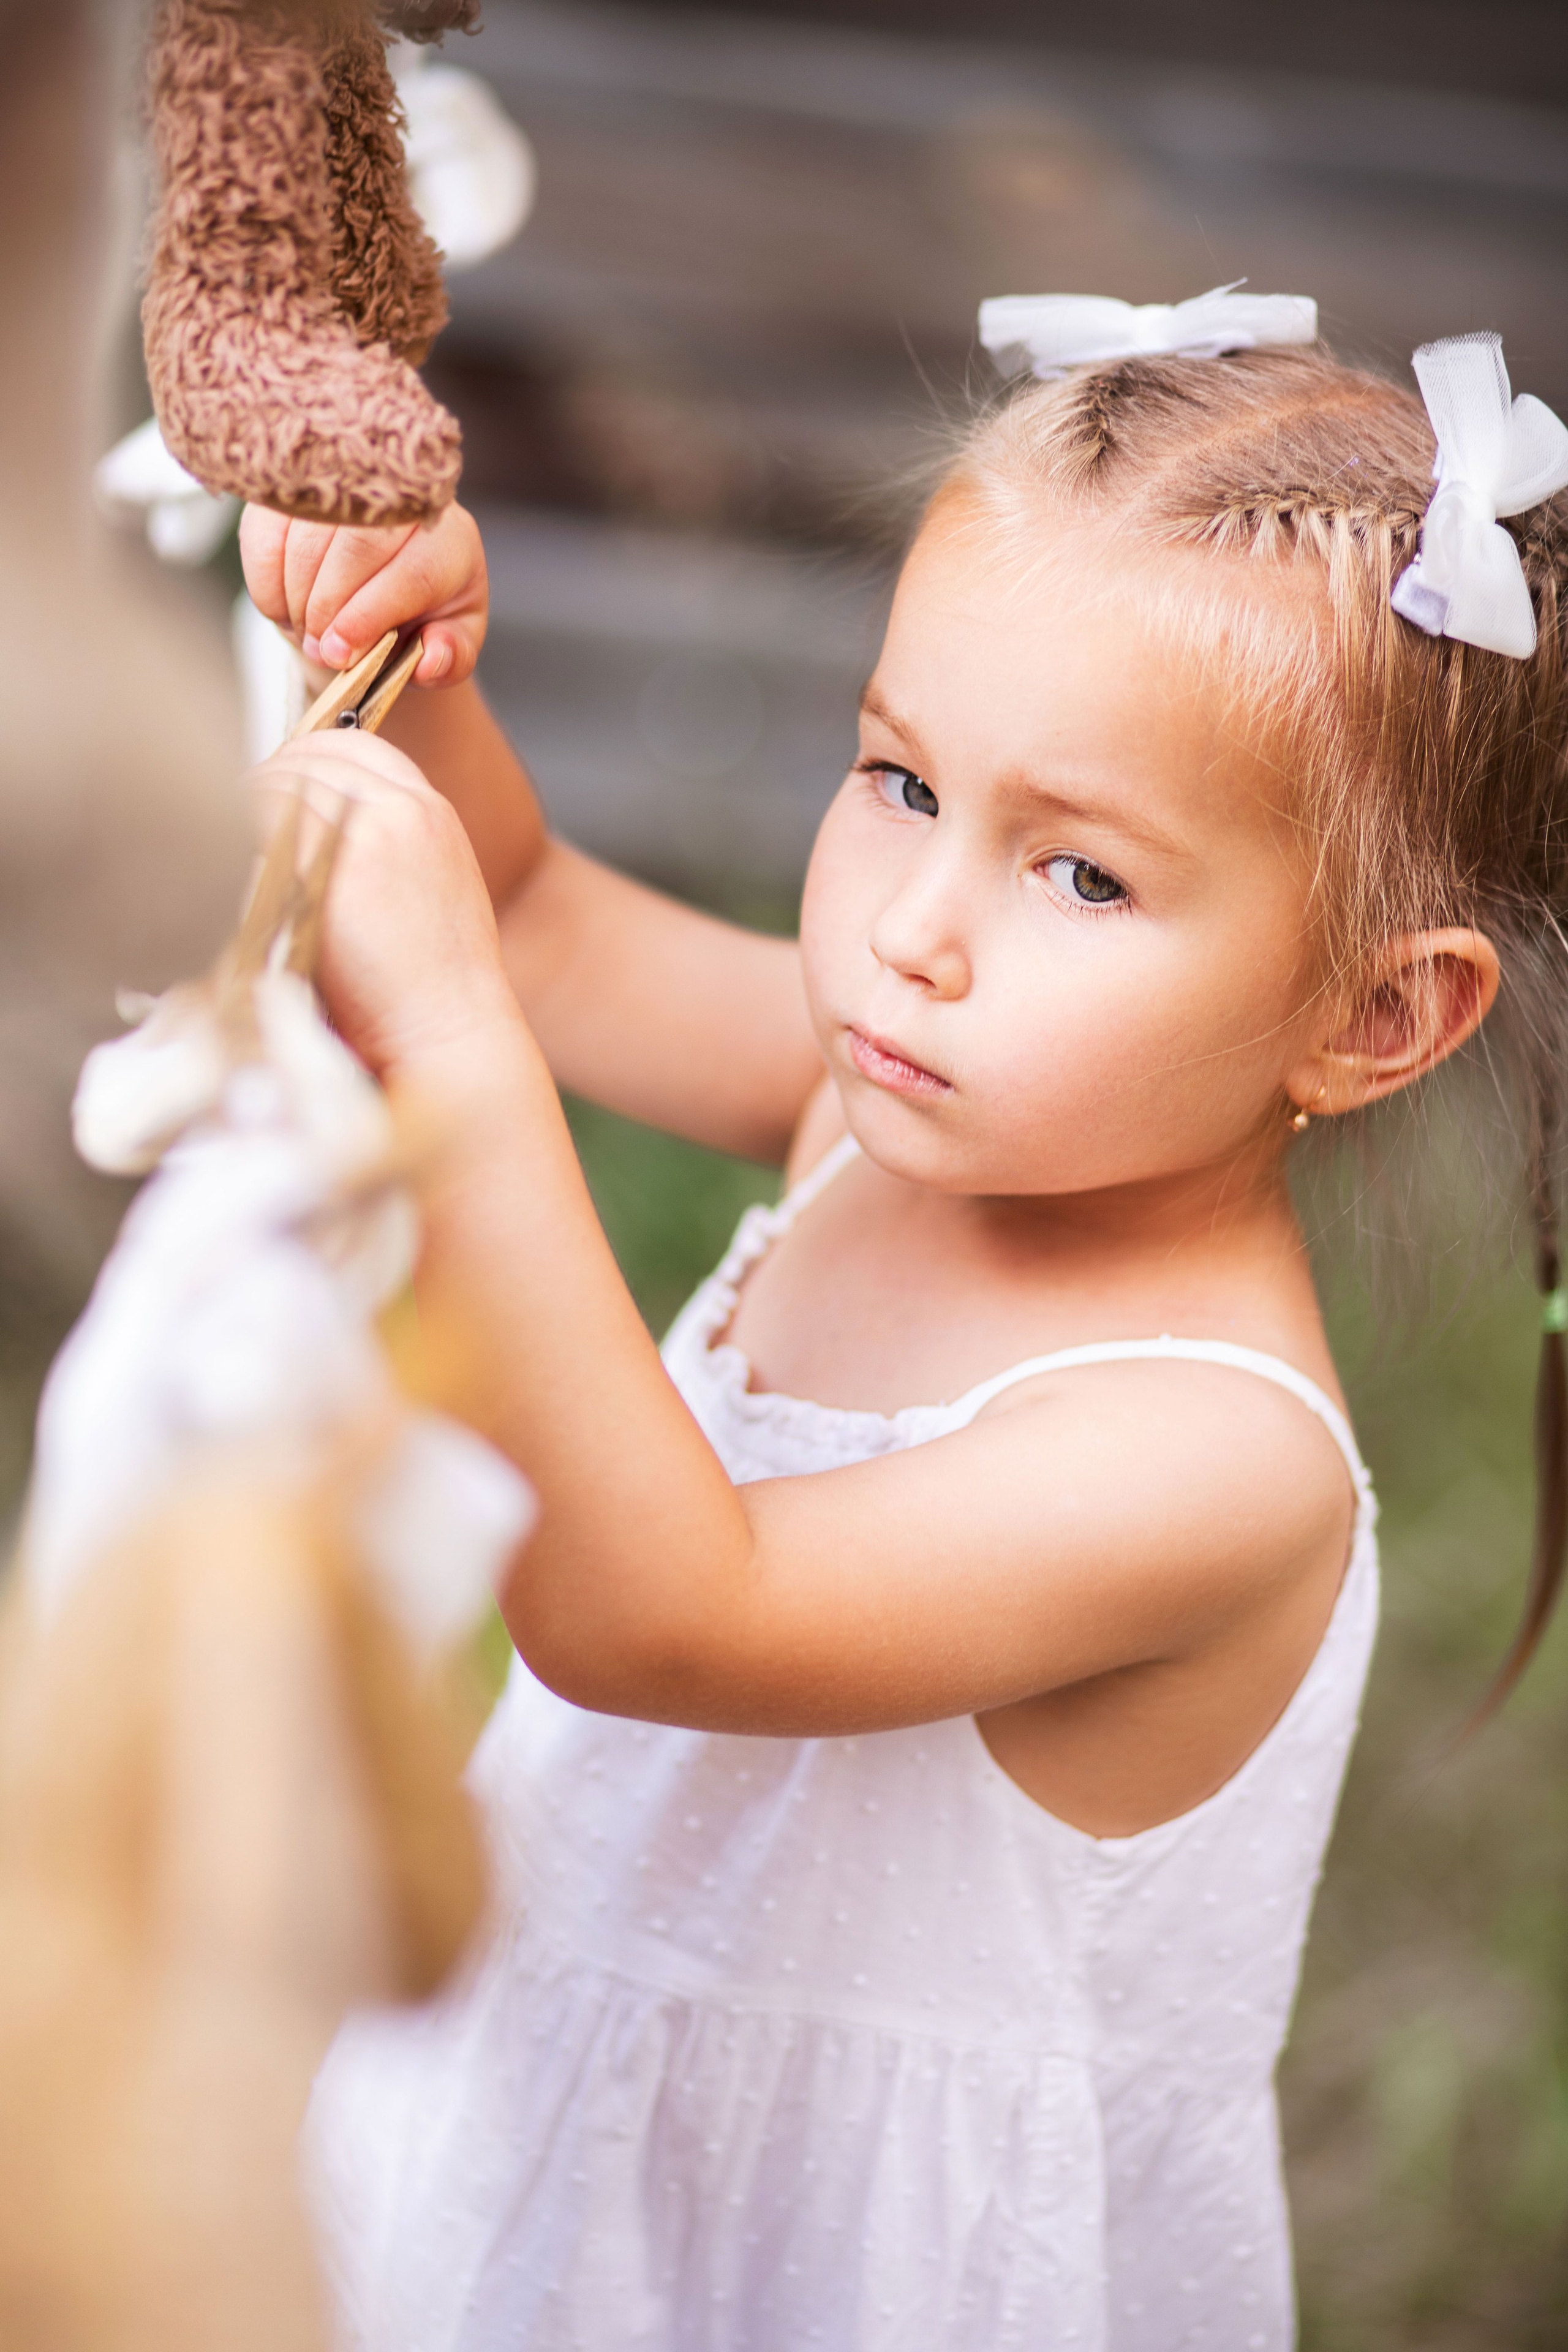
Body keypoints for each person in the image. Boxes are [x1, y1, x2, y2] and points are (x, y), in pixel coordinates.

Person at [240, 308, 1568, 2350]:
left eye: (1085, 877)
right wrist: (422, 677)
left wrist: (446, 1059)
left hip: (831, 2270)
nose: (913, 929)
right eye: (896, 777)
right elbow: (530, 916)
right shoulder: (895, 1107)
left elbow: (669, 1614)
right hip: (550, 2127)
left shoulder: (1211, 1458)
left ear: (1371, 1018)